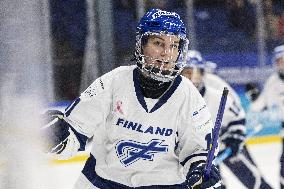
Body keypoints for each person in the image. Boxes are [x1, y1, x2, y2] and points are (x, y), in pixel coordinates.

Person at [43, 9, 222, 189]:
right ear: (141, 44)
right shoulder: (114, 82)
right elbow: (74, 133)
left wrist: (200, 170)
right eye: (158, 43)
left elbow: (198, 150)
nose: (167, 53)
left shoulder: (188, 95)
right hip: (103, 183)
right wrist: (58, 138)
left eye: (174, 45)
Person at [181, 50, 273, 189]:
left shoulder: (214, 88)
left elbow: (235, 109)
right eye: (186, 72)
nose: (191, 77)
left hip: (225, 142)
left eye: (194, 72)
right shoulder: (176, 98)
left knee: (254, 181)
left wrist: (235, 135)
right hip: (201, 155)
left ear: (202, 72)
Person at [246, 44, 284, 189]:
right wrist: (253, 97)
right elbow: (259, 106)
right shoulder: (273, 82)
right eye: (280, 61)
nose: (283, 64)